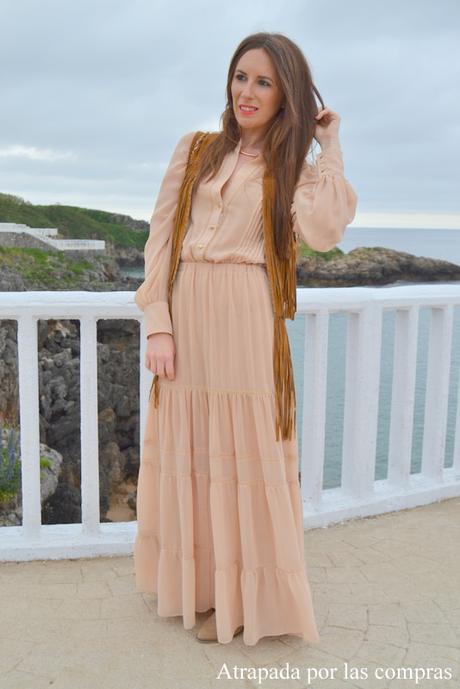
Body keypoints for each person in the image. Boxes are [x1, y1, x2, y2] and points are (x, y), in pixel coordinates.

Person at [133, 31, 358, 647]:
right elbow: (160, 241)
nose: (248, 92)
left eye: (264, 81)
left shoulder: (294, 170)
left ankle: (245, 603)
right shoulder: (196, 150)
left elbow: (325, 229)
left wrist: (328, 145)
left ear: (287, 93)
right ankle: (203, 592)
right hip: (188, 310)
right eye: (240, 77)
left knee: (245, 456)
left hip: (247, 317)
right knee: (195, 455)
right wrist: (158, 321)